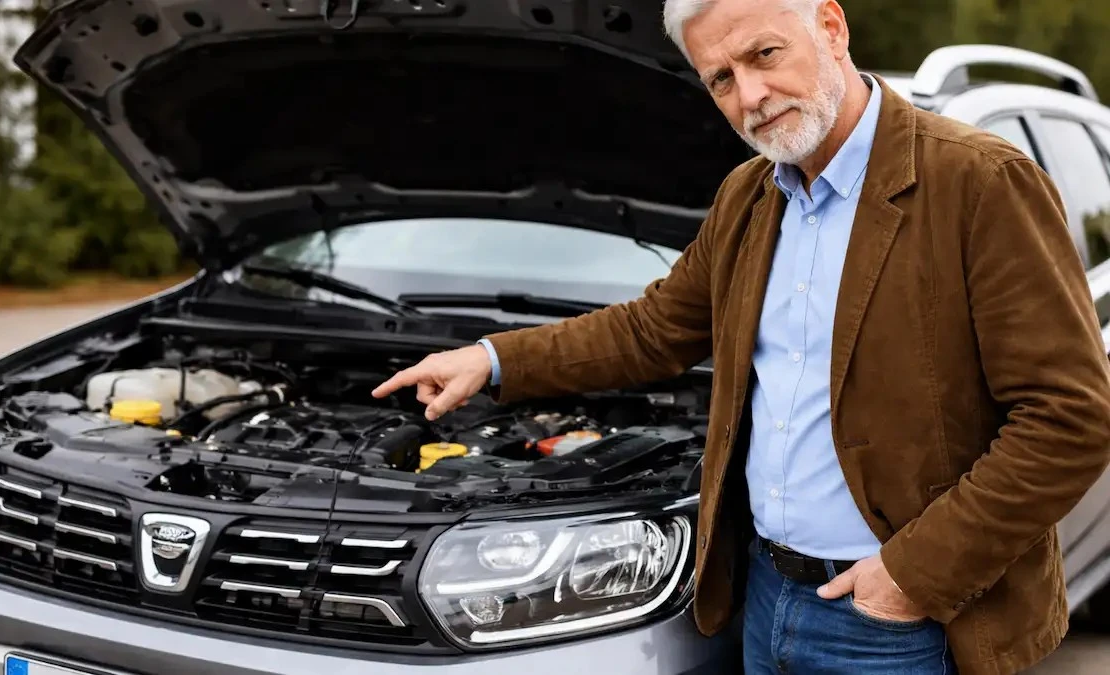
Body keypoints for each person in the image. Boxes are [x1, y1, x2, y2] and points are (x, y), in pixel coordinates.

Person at [371, 0, 1110, 672]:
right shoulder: (749, 198)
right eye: (719, 78)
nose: (749, 97)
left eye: (763, 55)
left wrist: (912, 575)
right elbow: (654, 328)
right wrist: (493, 358)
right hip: (762, 595)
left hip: (901, 620)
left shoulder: (979, 183)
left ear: (831, 27)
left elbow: (1069, 419)